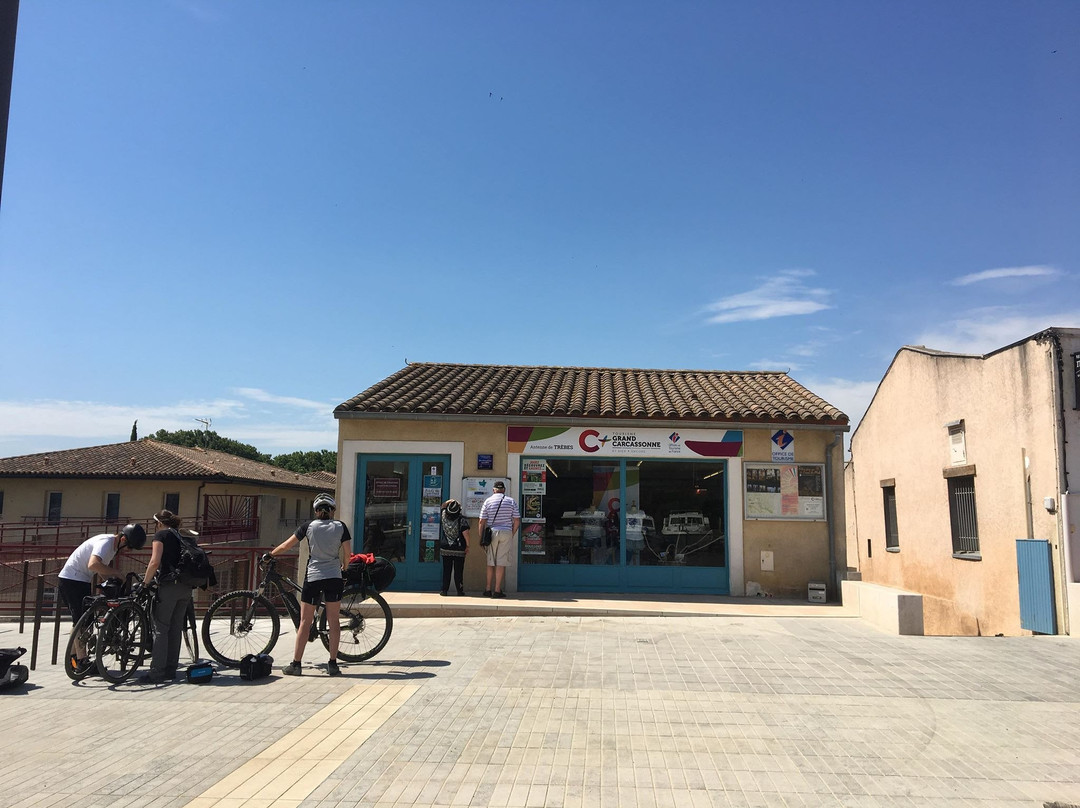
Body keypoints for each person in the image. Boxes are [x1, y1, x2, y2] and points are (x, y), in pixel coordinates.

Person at [265, 493, 351, 676]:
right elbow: (347, 553)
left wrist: (271, 554)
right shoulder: (341, 527)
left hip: (313, 577)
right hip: (334, 577)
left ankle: (296, 664)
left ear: (317, 511)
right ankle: (333, 664)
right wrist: (344, 567)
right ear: (332, 510)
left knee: (305, 621)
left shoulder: (308, 527)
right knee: (333, 621)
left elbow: (287, 545)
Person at [58, 523, 147, 665]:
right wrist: (117, 573)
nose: (129, 551)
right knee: (81, 622)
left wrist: (112, 581)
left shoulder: (112, 547)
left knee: (80, 620)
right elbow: (93, 564)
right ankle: (82, 661)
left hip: (80, 579)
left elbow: (101, 569)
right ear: (123, 540)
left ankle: (73, 660)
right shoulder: (106, 543)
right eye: (129, 547)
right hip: (72, 580)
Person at [139, 510, 193, 684]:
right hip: (186, 586)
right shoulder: (181, 535)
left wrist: (145, 583)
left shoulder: (161, 535)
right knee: (176, 628)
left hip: (169, 586)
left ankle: (156, 672)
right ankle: (171, 669)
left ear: (160, 523)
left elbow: (155, 561)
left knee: (161, 628)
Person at [477, 480, 520, 598]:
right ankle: (497, 590)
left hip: (492, 533)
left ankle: (487, 588)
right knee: (501, 563)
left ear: (493, 490)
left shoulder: (488, 501)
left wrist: (481, 537)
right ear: (504, 490)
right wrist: (511, 533)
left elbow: (481, 521)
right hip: (506, 532)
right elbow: (517, 520)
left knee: (490, 562)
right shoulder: (511, 501)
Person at [438, 499, 470, 596]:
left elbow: (443, 506)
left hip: (445, 548)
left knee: (446, 570)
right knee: (458, 571)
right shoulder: (462, 519)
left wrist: (450, 501)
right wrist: (468, 545)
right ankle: (459, 591)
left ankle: (444, 590)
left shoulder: (444, 516)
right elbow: (466, 534)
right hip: (459, 549)